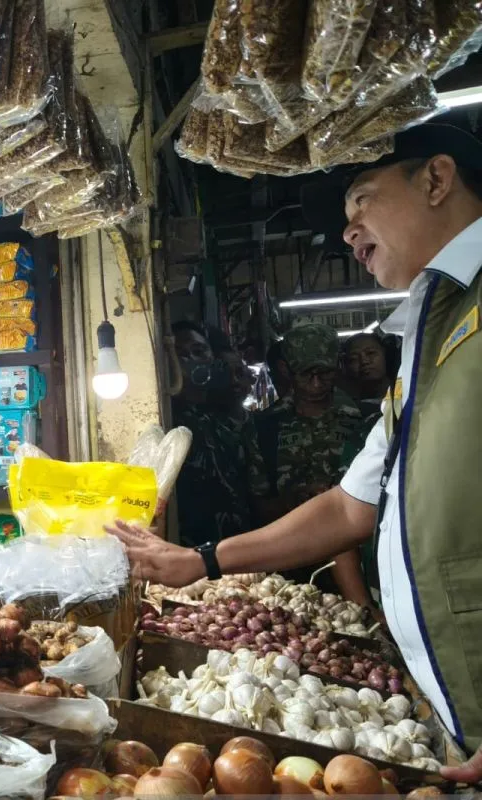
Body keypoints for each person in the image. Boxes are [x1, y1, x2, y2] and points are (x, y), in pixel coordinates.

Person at [110, 124, 482, 774]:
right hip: (459, 712)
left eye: (362, 198)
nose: (347, 229)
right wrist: (197, 562)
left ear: (437, 180)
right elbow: (347, 509)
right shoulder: (431, 330)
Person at [246, 324, 376, 527]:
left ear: (338, 366)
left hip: (355, 536)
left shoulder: (366, 420)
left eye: (325, 373)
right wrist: (292, 500)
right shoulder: (264, 428)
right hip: (292, 546)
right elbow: (258, 506)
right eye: (306, 374)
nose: (316, 383)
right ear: (285, 369)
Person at [168, 321, 253, 548]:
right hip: (191, 548)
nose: (191, 361)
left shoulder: (227, 418)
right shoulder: (169, 419)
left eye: (199, 351)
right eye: (181, 355)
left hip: (238, 544)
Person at [340, 331, 390, 405]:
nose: (364, 361)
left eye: (371, 353)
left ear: (385, 354)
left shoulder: (408, 391)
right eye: (354, 358)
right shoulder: (342, 403)